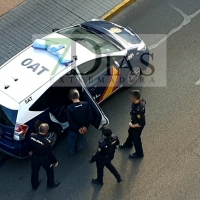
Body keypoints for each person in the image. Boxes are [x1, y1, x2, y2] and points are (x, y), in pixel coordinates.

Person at [28, 123, 60, 190]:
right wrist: (55, 161)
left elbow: (28, 145)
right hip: (44, 159)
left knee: (34, 171)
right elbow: (50, 154)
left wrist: (30, 151)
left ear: (39, 128)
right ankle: (50, 183)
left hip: (34, 157)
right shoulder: (47, 142)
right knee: (49, 170)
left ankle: (34, 184)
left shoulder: (32, 136)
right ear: (46, 131)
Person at [119, 90, 146, 158]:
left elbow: (141, 123)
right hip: (134, 122)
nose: (130, 98)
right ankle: (128, 144)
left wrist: (132, 125)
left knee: (136, 139)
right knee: (130, 132)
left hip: (137, 126)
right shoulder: (137, 102)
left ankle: (139, 154)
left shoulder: (138, 110)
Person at [67, 88, 93, 155]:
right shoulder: (86, 104)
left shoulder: (69, 108)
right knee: (80, 138)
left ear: (71, 97)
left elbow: (70, 121)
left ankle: (71, 151)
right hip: (83, 128)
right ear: (78, 95)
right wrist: (85, 127)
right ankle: (78, 148)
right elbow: (90, 117)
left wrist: (78, 128)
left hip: (74, 129)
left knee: (72, 140)